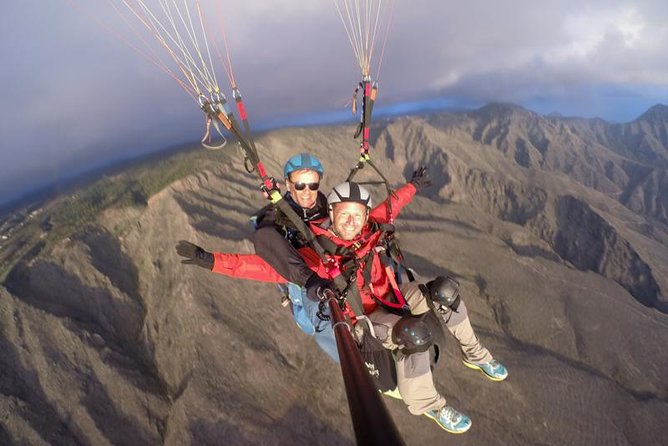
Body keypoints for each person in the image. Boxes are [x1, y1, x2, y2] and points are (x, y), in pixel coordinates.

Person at [177, 172, 508, 434]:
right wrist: (211, 261)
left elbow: (391, 205)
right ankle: (430, 404)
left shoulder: (369, 229)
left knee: (446, 292)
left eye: (358, 215)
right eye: (344, 215)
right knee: (413, 335)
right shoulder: (317, 255)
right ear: (331, 216)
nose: (352, 221)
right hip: (367, 317)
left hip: (393, 295)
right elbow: (261, 268)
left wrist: (412, 186)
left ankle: (477, 355)